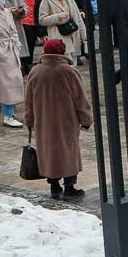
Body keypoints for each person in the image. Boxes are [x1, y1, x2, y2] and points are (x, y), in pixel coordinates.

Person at [24, 37, 93, 200]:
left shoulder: (35, 71)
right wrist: (86, 119)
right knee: (68, 151)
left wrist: (29, 120)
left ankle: (54, 186)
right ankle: (70, 186)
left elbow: (28, 100)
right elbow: (79, 98)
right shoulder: (68, 71)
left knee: (48, 152)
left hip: (43, 121)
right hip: (66, 120)